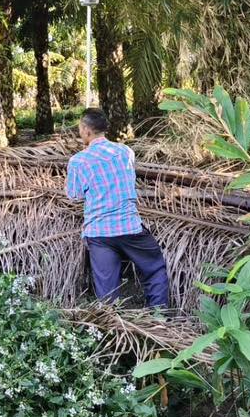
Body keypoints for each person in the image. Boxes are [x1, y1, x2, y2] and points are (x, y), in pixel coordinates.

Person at [65, 109, 171, 308]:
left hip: (99, 233)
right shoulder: (125, 152)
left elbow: (74, 195)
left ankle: (112, 327)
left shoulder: (78, 161)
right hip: (129, 227)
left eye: (80, 129)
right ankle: (159, 316)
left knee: (107, 291)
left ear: (87, 130)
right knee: (154, 268)